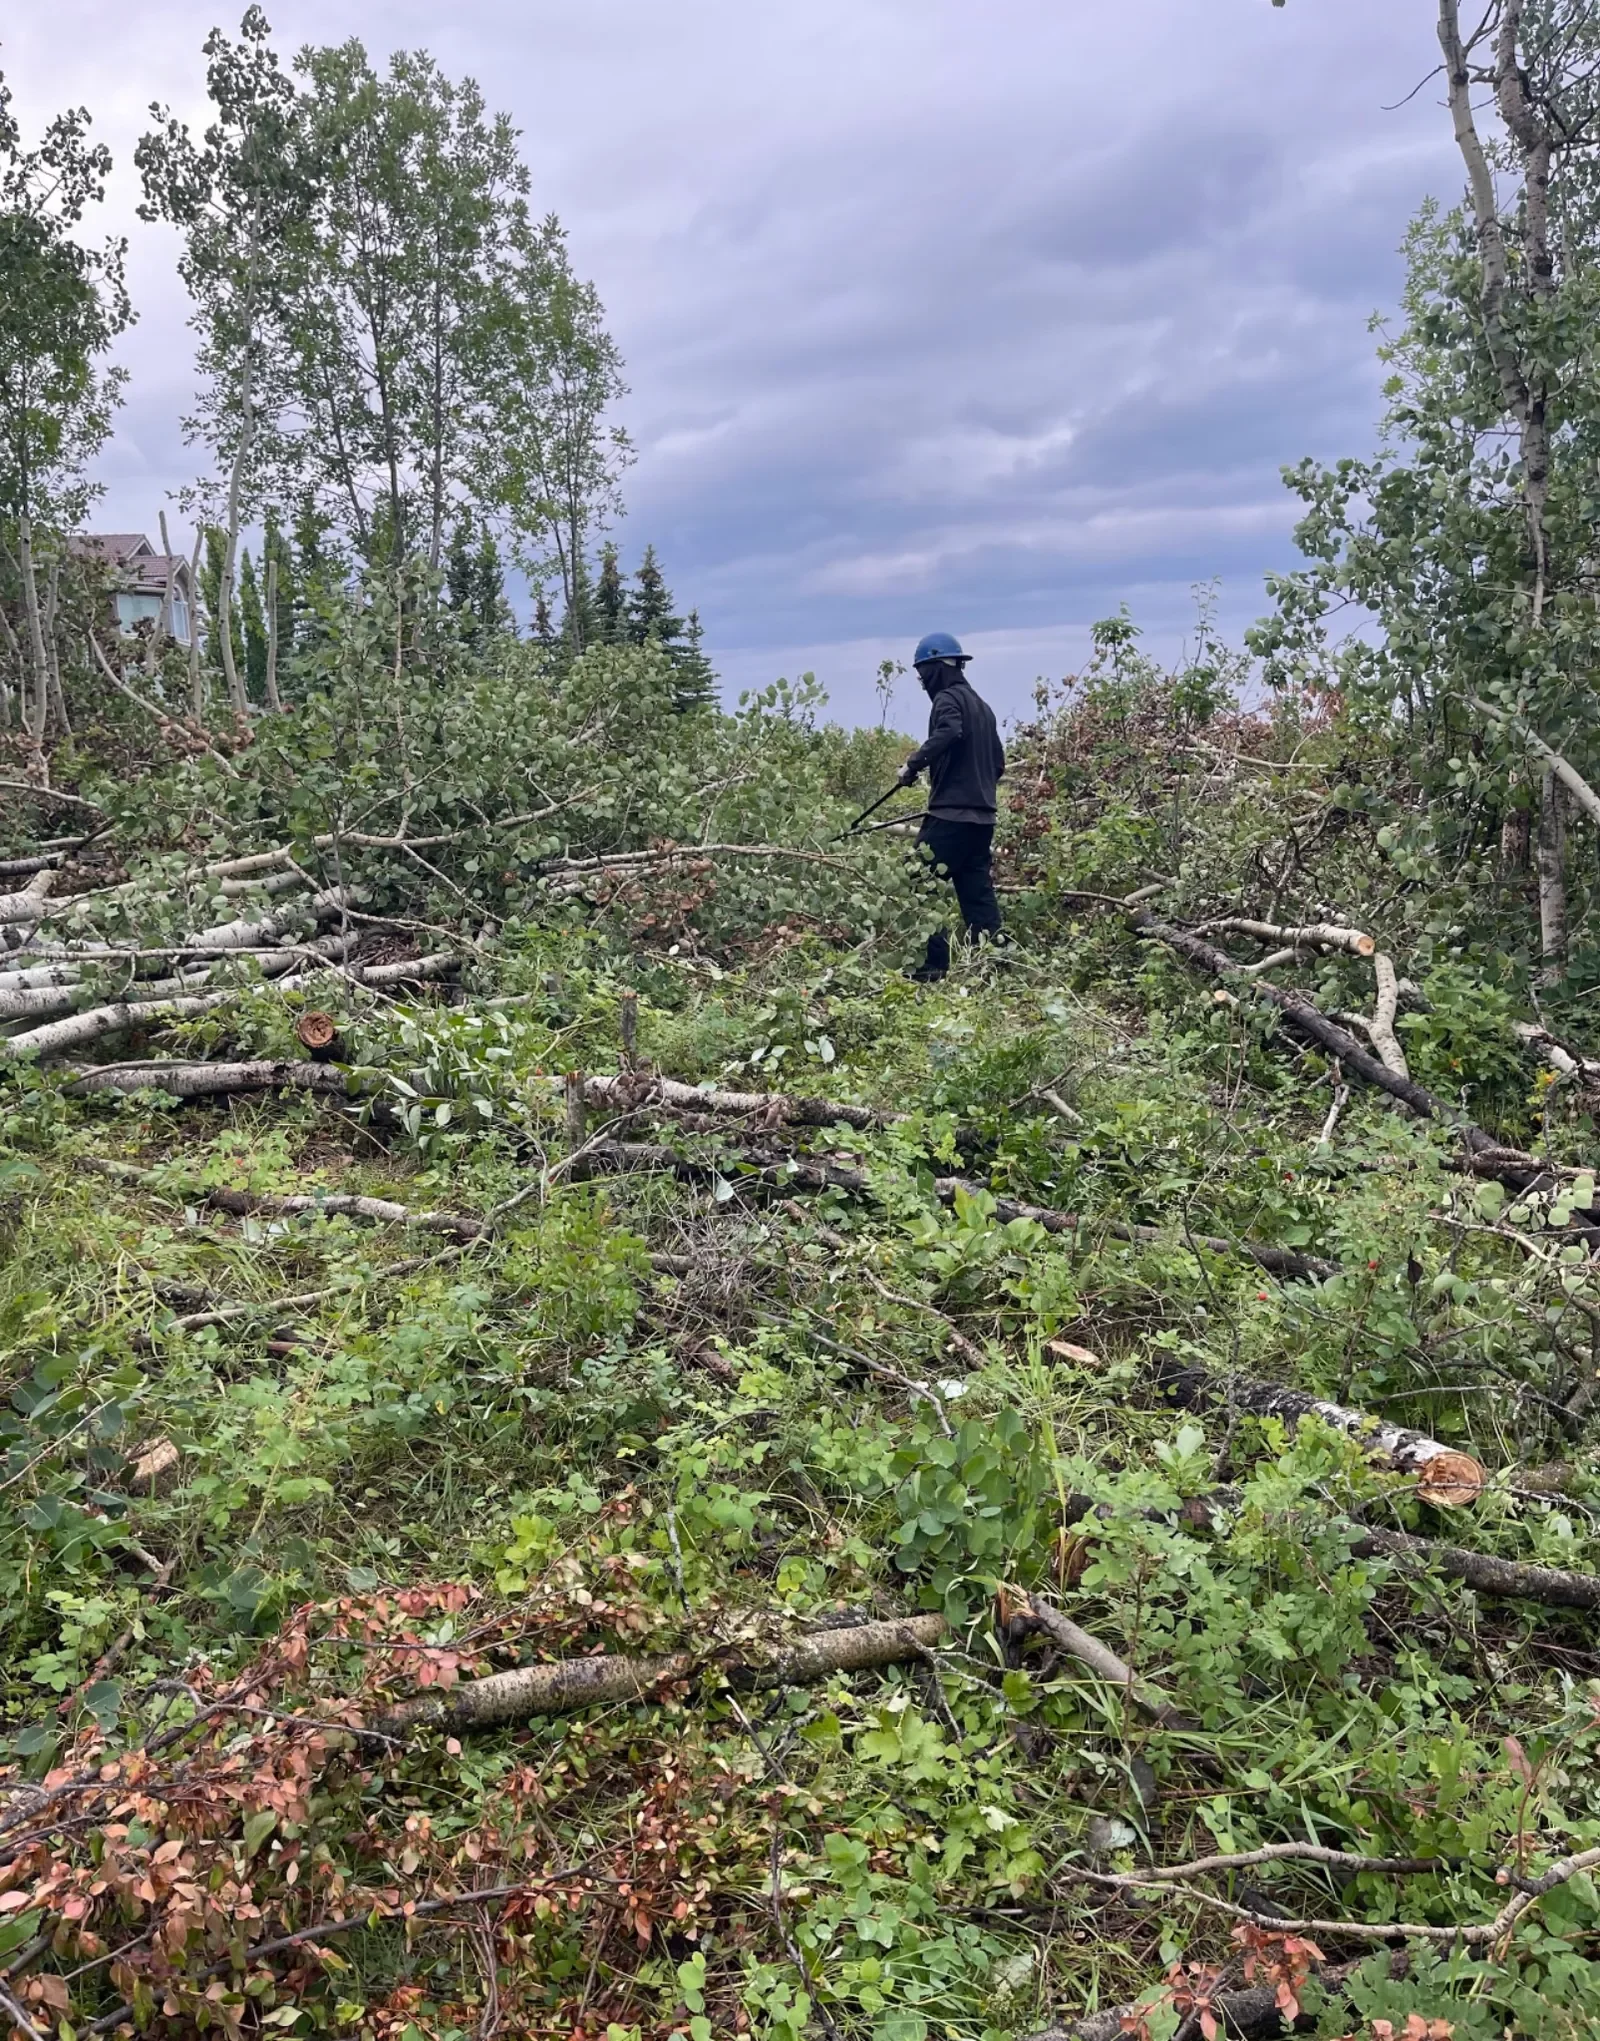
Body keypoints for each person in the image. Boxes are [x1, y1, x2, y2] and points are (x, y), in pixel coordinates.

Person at [898, 631, 1005, 980]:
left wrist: (914, 764)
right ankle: (992, 969)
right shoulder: (983, 708)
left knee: (918, 880)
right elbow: (998, 763)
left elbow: (949, 731)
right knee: (976, 895)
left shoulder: (947, 700)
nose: (922, 682)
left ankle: (933, 968)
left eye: (922, 674)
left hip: (951, 816)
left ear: (935, 667)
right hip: (982, 819)